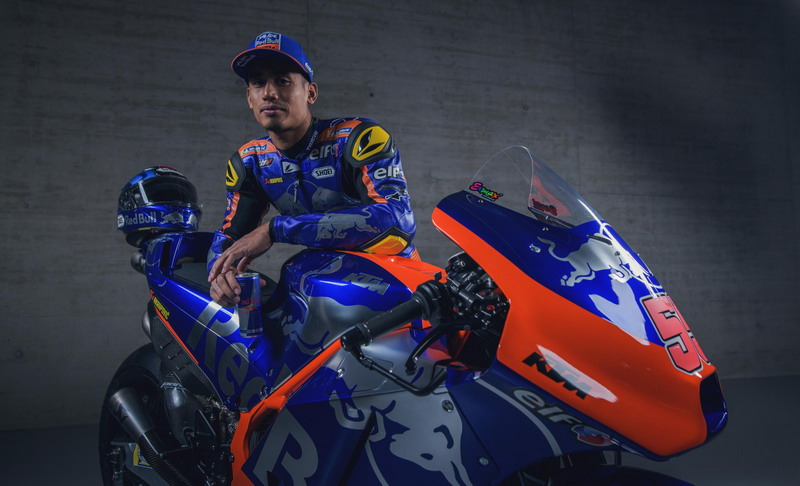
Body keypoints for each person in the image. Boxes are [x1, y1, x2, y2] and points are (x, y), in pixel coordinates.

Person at [207, 31, 418, 306]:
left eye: (282, 81)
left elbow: (398, 220)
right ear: (249, 97)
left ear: (311, 93)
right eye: (258, 83)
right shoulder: (249, 161)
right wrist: (220, 274)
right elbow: (230, 235)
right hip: (323, 289)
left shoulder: (359, 138)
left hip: (398, 286)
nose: (269, 93)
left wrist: (276, 229)